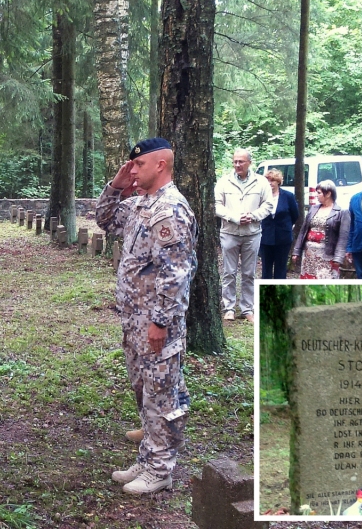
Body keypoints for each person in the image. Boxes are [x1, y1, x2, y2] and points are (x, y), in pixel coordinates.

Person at [95, 137, 197, 495]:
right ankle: (148, 457)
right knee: (144, 392)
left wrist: (160, 322)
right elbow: (105, 219)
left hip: (157, 323)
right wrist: (117, 185)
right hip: (135, 319)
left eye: (139, 164)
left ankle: (160, 469)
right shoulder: (141, 204)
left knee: (162, 396)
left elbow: (177, 273)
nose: (133, 169)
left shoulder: (170, 210)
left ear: (160, 165)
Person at [214, 149, 273, 321]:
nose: (237, 165)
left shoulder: (261, 182)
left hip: (252, 233)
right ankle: (229, 308)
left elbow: (268, 205)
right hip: (229, 232)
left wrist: (253, 216)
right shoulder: (224, 182)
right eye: (235, 161)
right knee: (229, 272)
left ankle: (247, 309)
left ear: (249, 163)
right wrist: (234, 217)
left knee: (249, 273)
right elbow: (216, 205)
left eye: (241, 161)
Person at [292, 180, 350, 279]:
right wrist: (296, 252)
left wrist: (338, 258)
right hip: (309, 254)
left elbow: (343, 238)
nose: (316, 195)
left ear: (328, 194)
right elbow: (303, 231)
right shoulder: (313, 208)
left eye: (319, 193)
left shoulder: (341, 212)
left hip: (327, 255)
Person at [259, 169, 299, 279]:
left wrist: (286, 226)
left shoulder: (288, 196)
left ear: (278, 182)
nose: (269, 183)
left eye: (272, 180)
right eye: (267, 180)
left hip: (283, 238)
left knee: (280, 269)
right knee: (266, 269)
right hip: (265, 237)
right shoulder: (261, 196)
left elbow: (295, 215)